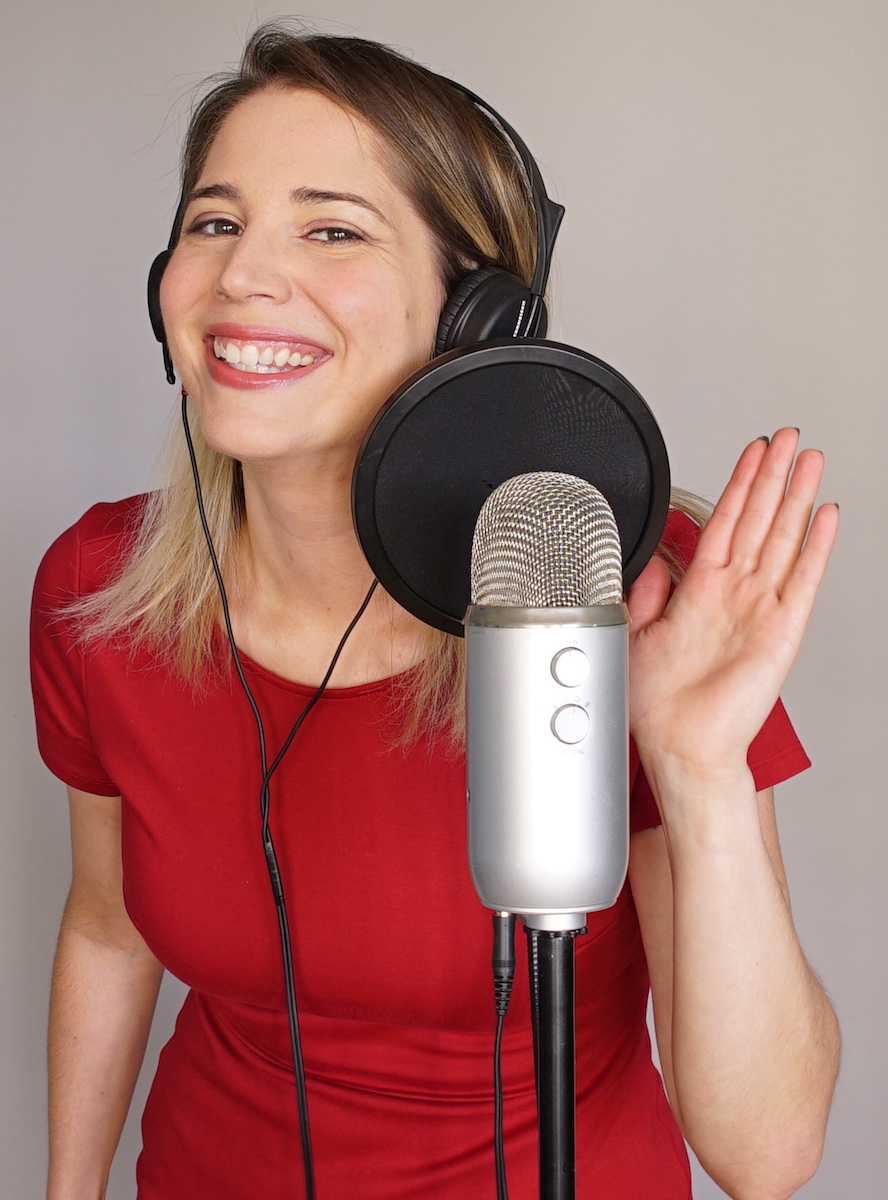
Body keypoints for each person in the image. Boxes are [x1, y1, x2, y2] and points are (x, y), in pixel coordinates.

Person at [31, 23, 840, 1200]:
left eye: (331, 229)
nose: (243, 275)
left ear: (480, 322)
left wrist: (697, 764)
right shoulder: (98, 590)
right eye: (215, 222)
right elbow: (109, 931)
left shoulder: (630, 587)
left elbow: (768, 1159)